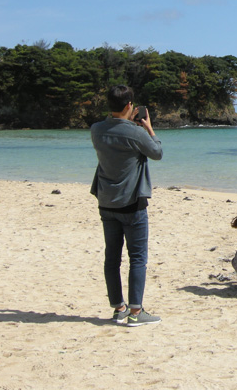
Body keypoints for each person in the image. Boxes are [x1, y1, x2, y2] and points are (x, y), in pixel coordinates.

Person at [90, 85, 163, 327]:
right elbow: (157, 152)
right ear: (130, 105)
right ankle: (135, 311)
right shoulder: (136, 133)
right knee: (137, 259)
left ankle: (118, 308)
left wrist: (126, 121)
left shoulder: (96, 130)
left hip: (106, 201)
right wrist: (148, 127)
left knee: (112, 258)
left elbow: (113, 131)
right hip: (132, 202)